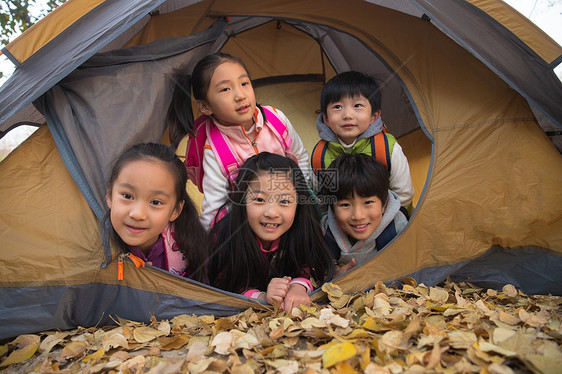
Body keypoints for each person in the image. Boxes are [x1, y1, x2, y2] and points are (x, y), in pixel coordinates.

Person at [167, 52, 313, 229]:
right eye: (225, 89)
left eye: (244, 83)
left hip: (291, 209)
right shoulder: (215, 151)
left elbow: (301, 158)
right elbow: (215, 210)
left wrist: (302, 199)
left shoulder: (276, 119)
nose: (240, 95)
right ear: (205, 106)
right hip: (252, 225)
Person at [207, 152, 333, 310]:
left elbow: (306, 269)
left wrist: (297, 288)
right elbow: (224, 285)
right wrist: (262, 296)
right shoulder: (226, 234)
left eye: (285, 201)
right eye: (259, 199)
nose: (271, 213)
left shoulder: (303, 230)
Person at [311, 71, 414, 211]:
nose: (347, 115)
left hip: (389, 224)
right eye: (337, 107)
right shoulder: (319, 155)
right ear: (326, 119)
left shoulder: (386, 148)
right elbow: (320, 199)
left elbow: (404, 194)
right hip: (342, 226)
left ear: (374, 116)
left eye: (357, 106)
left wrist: (380, 222)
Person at [105, 143, 207, 282]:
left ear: (176, 210)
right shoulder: (91, 252)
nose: (137, 214)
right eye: (127, 196)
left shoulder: (188, 247)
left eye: (156, 202)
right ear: (109, 195)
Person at [321, 153, 409, 275]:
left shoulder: (399, 229)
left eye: (368, 202)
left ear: (384, 205)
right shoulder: (325, 233)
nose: (358, 216)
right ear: (332, 208)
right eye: (345, 205)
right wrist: (333, 277)